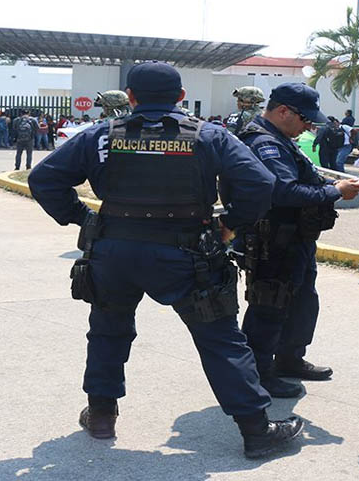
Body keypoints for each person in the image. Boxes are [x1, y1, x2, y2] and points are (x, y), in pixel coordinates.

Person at [27, 61, 303, 459]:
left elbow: (44, 179)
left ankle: (102, 415)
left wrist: (81, 216)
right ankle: (256, 431)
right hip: (188, 252)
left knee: (108, 331)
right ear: (179, 97)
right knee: (220, 339)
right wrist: (230, 224)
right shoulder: (209, 135)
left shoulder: (101, 135)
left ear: (132, 97)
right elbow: (260, 184)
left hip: (115, 251)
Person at [236, 83, 359, 398]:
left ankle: (290, 359)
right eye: (306, 119)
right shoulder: (263, 142)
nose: (310, 126)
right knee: (269, 305)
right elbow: (283, 191)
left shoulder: (281, 138)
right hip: (273, 240)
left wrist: (333, 183)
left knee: (302, 301)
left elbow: (304, 178)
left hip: (295, 239)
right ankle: (259, 374)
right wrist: (336, 191)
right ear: (283, 111)